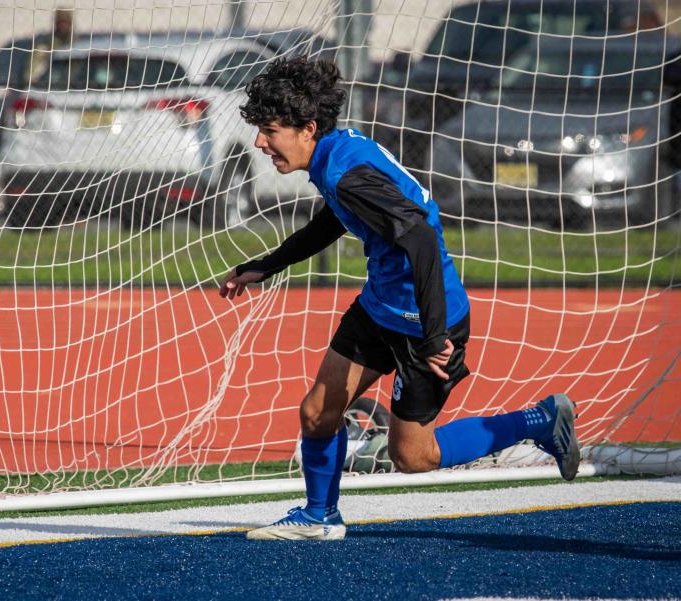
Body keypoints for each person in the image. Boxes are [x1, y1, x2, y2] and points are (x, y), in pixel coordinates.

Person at [219, 57, 580, 541]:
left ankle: (539, 419)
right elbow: (334, 220)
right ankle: (320, 517)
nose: (261, 143)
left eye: (269, 131)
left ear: (307, 128)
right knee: (316, 412)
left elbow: (423, 240)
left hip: (426, 321)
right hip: (380, 307)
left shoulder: (347, 172)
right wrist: (268, 264)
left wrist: (434, 337)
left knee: (412, 456)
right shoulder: (336, 153)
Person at [26, 8, 73, 83]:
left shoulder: (75, 42)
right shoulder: (47, 43)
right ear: (56, 23)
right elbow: (32, 72)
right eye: (61, 22)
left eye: (66, 23)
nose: (63, 26)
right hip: (51, 81)